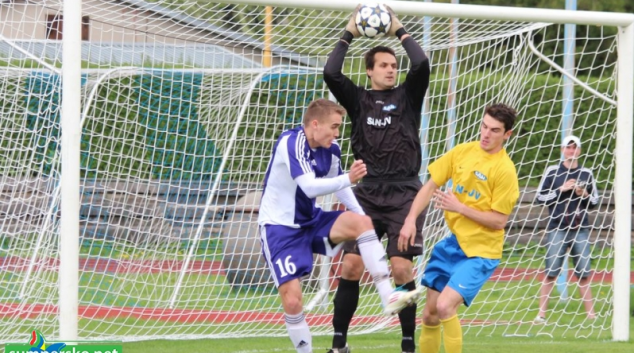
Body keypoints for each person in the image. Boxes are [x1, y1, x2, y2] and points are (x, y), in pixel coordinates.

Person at [258, 99, 420, 353]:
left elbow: (340, 186)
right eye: (334, 126)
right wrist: (349, 177)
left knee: (363, 223)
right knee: (292, 301)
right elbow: (310, 186)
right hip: (280, 228)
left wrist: (359, 214)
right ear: (315, 124)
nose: (337, 133)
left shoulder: (331, 148)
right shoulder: (292, 142)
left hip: (311, 220)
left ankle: (388, 294)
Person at [323, 6, 430, 353]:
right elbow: (331, 71)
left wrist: (399, 30)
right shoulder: (359, 100)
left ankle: (408, 344)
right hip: (367, 194)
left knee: (401, 268)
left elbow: (422, 64)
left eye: (393, 66)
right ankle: (339, 344)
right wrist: (349, 32)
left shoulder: (408, 96)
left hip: (403, 193)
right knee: (352, 265)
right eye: (383, 65)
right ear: (369, 71)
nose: (391, 70)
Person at [399, 104, 520, 353]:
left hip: (481, 251)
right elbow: (430, 186)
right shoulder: (462, 152)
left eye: (494, 130)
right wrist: (410, 219)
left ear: (507, 134)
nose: (486, 134)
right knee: (430, 315)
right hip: (453, 244)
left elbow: (499, 221)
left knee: (445, 307)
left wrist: (460, 208)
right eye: (484, 126)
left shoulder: (505, 170)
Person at [534, 135, 599, 323]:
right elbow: (539, 198)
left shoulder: (587, 173)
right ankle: (541, 314)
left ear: (579, 150)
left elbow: (594, 202)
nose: (571, 151)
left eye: (575, 148)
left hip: (580, 229)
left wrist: (583, 193)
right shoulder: (552, 171)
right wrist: (560, 190)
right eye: (568, 148)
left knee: (584, 274)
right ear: (562, 149)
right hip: (557, 228)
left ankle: (591, 316)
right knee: (551, 272)